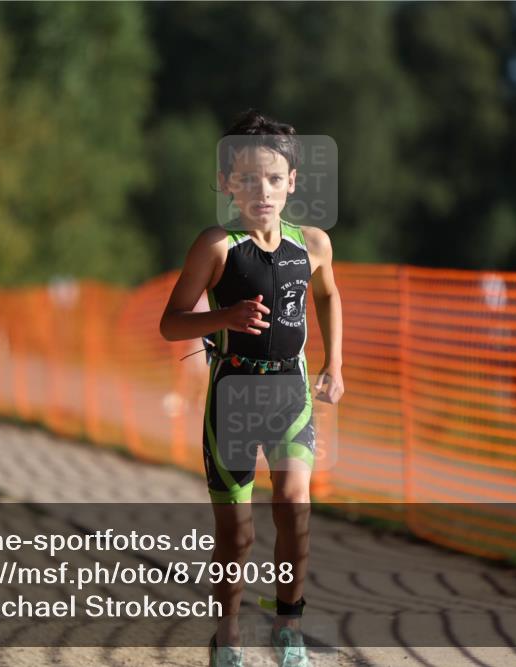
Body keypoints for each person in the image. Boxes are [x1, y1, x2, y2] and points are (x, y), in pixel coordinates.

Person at [160, 110, 344, 667]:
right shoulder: (216, 246)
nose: (261, 191)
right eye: (247, 178)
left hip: (290, 391)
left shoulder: (313, 244)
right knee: (236, 535)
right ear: (226, 183)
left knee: (294, 505)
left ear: (292, 182)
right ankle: (228, 638)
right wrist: (225, 318)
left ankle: (288, 628)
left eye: (273, 178)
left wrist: (334, 363)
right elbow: (171, 323)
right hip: (233, 396)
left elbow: (328, 294)